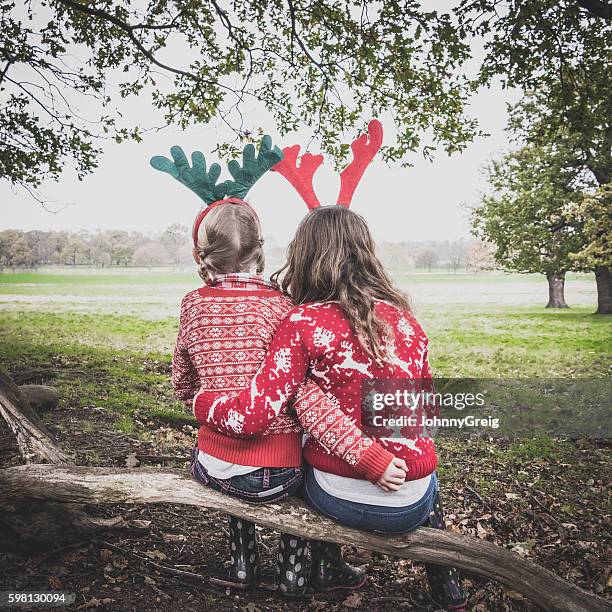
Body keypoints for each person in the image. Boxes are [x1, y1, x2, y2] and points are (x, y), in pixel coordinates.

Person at [152, 141, 396, 597]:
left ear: (202, 254)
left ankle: (243, 569)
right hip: (275, 470)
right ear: (261, 252)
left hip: (212, 463)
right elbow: (301, 395)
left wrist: (208, 405)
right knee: (302, 471)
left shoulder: (191, 306)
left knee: (234, 487)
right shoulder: (283, 308)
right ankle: (294, 578)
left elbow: (183, 384)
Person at [194, 205, 467, 611]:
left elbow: (272, 406)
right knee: (430, 474)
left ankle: (299, 580)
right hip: (411, 501)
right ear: (366, 253)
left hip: (336, 498)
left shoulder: (303, 321)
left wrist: (203, 401)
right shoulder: (407, 322)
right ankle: (449, 591)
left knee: (296, 460)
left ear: (305, 257)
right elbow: (427, 417)